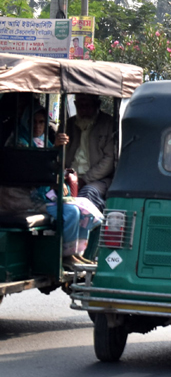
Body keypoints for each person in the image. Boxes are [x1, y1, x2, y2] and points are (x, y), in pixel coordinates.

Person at [17, 107, 103, 266]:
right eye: (33, 122)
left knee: (86, 210)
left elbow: (53, 167)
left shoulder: (44, 141)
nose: (37, 126)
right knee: (71, 212)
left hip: (48, 194)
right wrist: (54, 149)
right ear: (25, 122)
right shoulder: (21, 143)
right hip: (29, 198)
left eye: (41, 122)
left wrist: (60, 181)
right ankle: (65, 256)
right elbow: (34, 169)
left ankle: (77, 253)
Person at [57, 93, 116, 212]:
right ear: (75, 105)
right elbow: (57, 157)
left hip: (97, 180)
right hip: (69, 177)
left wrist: (85, 180)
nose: (83, 110)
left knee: (87, 194)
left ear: (97, 105)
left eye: (87, 105)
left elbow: (109, 160)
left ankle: (84, 230)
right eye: (80, 106)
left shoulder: (108, 124)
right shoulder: (67, 125)